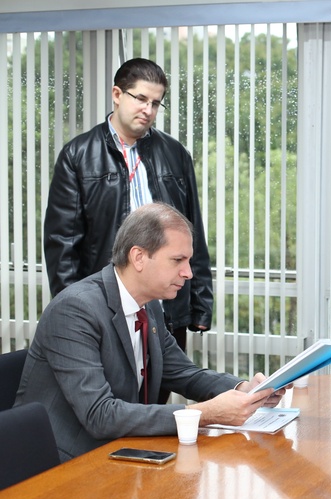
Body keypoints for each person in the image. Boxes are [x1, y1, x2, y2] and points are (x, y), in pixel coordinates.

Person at [16, 203, 284, 462]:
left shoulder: (150, 307)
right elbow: (100, 415)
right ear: (139, 257)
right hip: (60, 464)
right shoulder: (75, 310)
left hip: (120, 450)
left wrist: (245, 390)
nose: (188, 273)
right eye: (178, 260)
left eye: (188, 261)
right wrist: (204, 414)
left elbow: (184, 374)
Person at [43, 57, 211, 366]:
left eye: (156, 103)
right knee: (109, 390)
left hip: (166, 305)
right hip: (105, 306)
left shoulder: (175, 154)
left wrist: (200, 304)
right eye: (141, 98)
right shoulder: (78, 155)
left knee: (162, 389)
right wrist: (74, 311)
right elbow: (62, 244)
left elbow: (192, 232)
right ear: (117, 94)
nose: (148, 110)